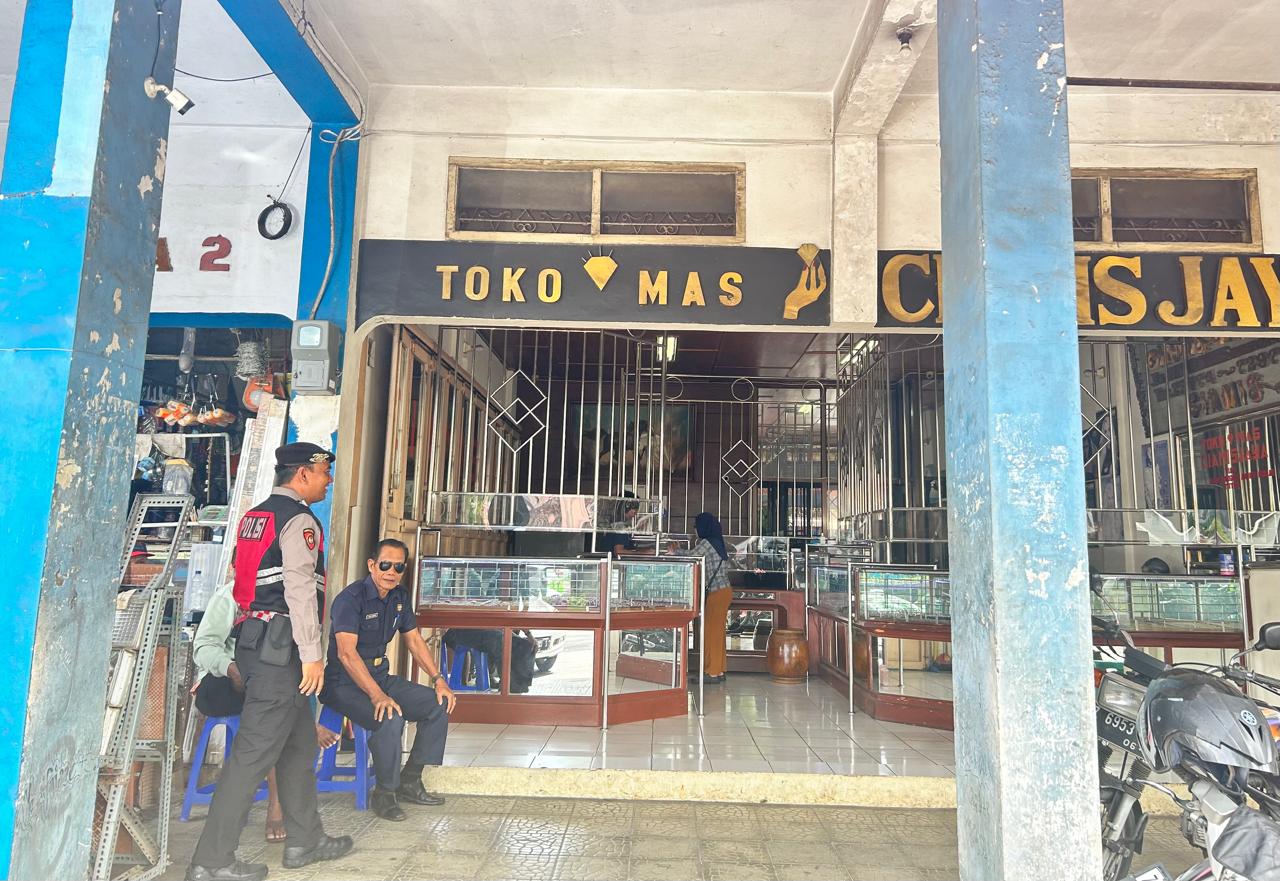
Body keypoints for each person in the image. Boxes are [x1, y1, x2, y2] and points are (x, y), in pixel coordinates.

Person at [187, 442, 352, 881]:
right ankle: (211, 861)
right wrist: (313, 656)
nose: (328, 480)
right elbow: (300, 591)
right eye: (324, 472)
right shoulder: (299, 520)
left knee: (298, 749)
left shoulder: (255, 516)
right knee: (250, 758)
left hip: (257, 644)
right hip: (283, 653)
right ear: (303, 474)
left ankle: (305, 841)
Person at [191, 581, 339, 843]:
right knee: (274, 711)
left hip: (264, 685)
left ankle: (300, 725)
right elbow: (204, 647)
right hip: (224, 680)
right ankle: (276, 807)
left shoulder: (284, 594)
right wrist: (231, 668)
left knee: (281, 697)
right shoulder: (230, 595)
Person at [321, 539, 457, 822]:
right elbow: (347, 654)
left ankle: (410, 780)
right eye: (385, 565)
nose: (391, 572)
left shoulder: (399, 597)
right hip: (343, 683)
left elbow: (414, 641)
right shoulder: (350, 599)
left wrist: (438, 679)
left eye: (398, 567)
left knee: (438, 704)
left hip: (380, 676)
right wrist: (377, 696)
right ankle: (384, 793)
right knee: (390, 717)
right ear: (372, 565)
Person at [685, 512, 732, 685]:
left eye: (696, 526)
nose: (695, 530)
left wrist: (673, 551)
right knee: (717, 632)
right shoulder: (718, 541)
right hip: (723, 591)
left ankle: (711, 672)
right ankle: (719, 670)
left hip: (717, 593)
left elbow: (691, 556)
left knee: (711, 633)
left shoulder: (707, 543)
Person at [443, 627, 537, 693]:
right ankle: (508, 687)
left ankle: (518, 686)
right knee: (500, 642)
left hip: (487, 628)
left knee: (525, 644)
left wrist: (529, 635)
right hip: (458, 630)